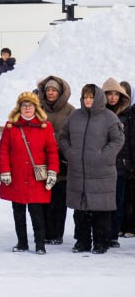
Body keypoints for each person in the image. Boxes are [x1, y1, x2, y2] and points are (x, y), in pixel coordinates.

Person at [61, 83, 124, 253]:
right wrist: (70, 153)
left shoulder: (109, 117)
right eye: (85, 97)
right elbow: (63, 136)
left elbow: (118, 139)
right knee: (80, 209)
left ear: (98, 98)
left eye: (91, 97)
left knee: (100, 209)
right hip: (78, 171)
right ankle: (82, 241)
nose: (88, 100)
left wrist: (103, 156)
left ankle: (101, 242)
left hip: (101, 172)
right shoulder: (75, 116)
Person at [0, 92, 58, 254]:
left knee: (37, 213)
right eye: (24, 105)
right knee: (18, 213)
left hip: (35, 178)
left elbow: (52, 151)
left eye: (30, 105)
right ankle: (22, 242)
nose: (27, 108)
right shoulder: (11, 126)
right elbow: (3, 151)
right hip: (17, 176)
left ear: (36, 108)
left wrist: (52, 171)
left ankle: (40, 244)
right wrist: (5, 171)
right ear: (19, 108)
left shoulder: (45, 126)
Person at [35, 75, 74, 244]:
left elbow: (74, 135)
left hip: (61, 160)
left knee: (58, 199)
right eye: (48, 90)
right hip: (41, 160)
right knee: (42, 197)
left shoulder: (70, 111)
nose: (50, 93)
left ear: (60, 92)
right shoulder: (38, 108)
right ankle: (43, 232)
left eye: (54, 90)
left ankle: (56, 233)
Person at [102, 78, 134, 247]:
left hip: (121, 165)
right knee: (102, 202)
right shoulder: (100, 113)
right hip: (102, 165)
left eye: (116, 94)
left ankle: (113, 235)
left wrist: (131, 163)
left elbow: (131, 141)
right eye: (109, 94)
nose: (113, 97)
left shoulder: (128, 115)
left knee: (118, 201)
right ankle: (101, 233)